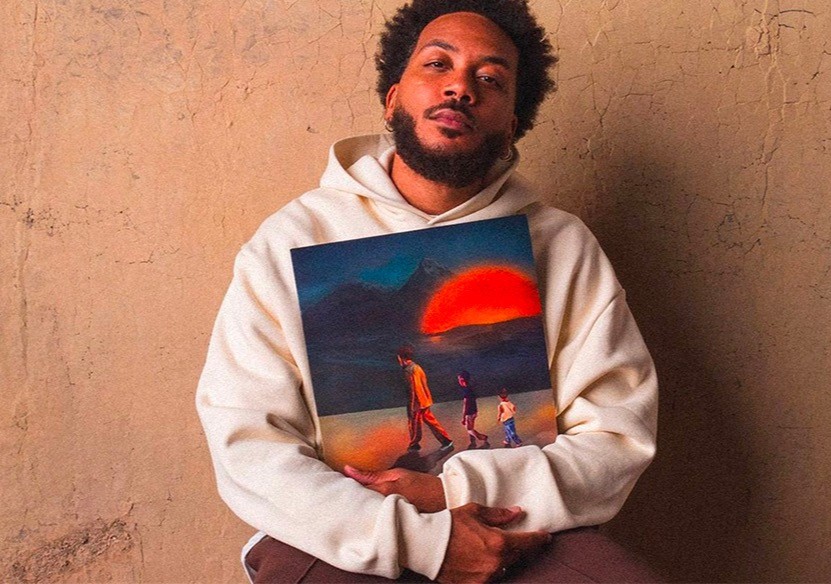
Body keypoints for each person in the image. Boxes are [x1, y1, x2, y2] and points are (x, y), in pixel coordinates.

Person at [196, 1, 659, 582]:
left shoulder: (562, 245)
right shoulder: (289, 239)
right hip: (339, 529)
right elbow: (247, 442)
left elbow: (617, 438)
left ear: (512, 124)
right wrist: (417, 539)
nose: (461, 87)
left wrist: (451, 492)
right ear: (393, 98)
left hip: (518, 520)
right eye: (438, 64)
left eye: (490, 79)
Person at [398, 345, 454, 452]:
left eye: (399, 358)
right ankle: (446, 440)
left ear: (401, 358)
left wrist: (412, 405)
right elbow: (424, 384)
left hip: (416, 402)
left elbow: (412, 389)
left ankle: (414, 445)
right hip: (424, 400)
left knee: (414, 424)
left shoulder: (409, 370)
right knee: (430, 421)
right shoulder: (417, 367)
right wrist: (427, 399)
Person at [457, 370, 489, 449]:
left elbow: (466, 405)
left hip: (469, 413)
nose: (458, 381)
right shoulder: (470, 388)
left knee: (469, 429)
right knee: (471, 427)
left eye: (459, 379)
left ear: (462, 379)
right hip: (474, 411)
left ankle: (483, 437)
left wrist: (463, 417)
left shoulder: (466, 391)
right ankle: (473, 442)